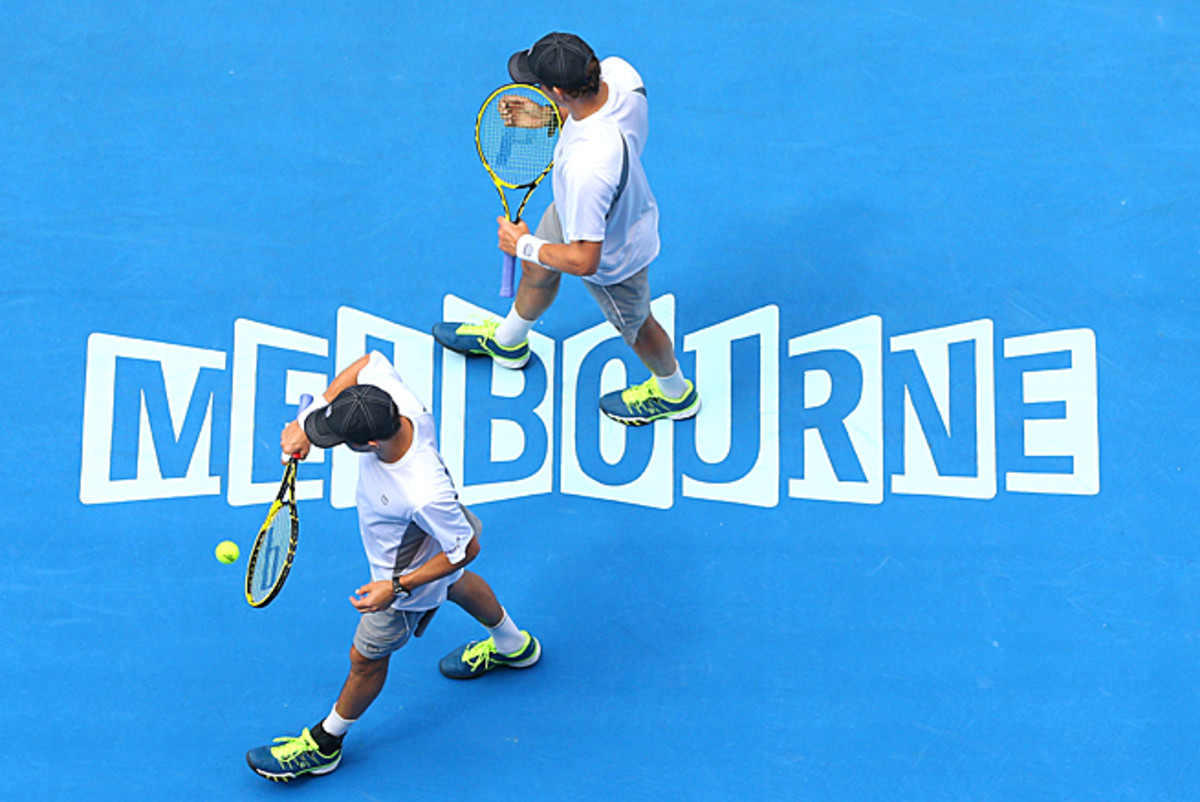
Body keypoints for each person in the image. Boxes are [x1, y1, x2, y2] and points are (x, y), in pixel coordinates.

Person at [245, 351, 540, 782]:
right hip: (434, 527)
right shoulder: (396, 402)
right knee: (457, 584)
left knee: (365, 658)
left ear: (368, 444)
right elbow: (366, 362)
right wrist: (310, 420)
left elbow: (465, 548)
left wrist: (397, 586)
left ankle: (326, 744)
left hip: (405, 571)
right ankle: (514, 646)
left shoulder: (422, 492)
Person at [433, 32, 699, 427]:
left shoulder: (586, 169)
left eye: (539, 86)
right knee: (538, 272)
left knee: (639, 326)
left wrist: (522, 243)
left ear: (558, 89)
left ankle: (675, 393)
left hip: (613, 249)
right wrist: (545, 117)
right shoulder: (620, 75)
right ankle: (508, 342)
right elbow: (592, 114)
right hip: (581, 208)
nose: (533, 90)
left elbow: (584, 259)